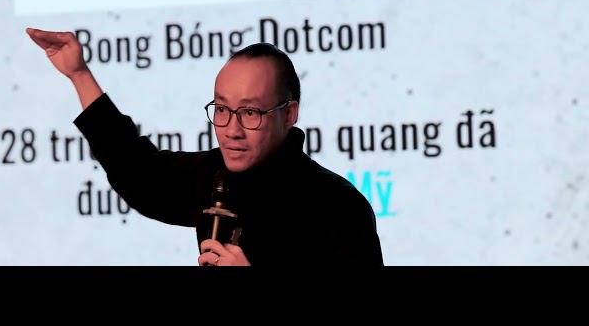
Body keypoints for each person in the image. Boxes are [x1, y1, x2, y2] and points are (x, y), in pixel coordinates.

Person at [26, 27, 385, 266]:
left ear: (289, 114)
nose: (231, 130)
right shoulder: (215, 178)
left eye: (250, 112)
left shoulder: (338, 206)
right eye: (222, 110)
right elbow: (137, 168)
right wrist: (80, 75)